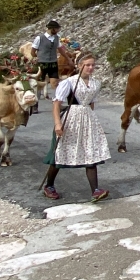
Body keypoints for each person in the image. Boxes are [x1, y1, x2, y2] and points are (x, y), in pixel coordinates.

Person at [43, 53, 111, 202]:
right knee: (62, 151)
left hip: (87, 118)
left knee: (90, 151)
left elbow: (91, 103)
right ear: (80, 66)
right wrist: (58, 124)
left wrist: (90, 121)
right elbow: (56, 104)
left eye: (93, 65)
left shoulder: (96, 83)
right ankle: (49, 185)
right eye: (87, 65)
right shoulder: (69, 83)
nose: (91, 68)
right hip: (71, 118)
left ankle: (95, 191)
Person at [33, 20, 63, 95]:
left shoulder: (57, 37)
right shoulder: (39, 38)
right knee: (40, 83)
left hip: (53, 63)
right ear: (52, 29)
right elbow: (32, 51)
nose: (58, 30)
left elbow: (60, 49)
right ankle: (37, 100)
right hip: (42, 63)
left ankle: (56, 102)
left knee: (55, 82)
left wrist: (68, 59)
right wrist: (35, 57)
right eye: (57, 29)